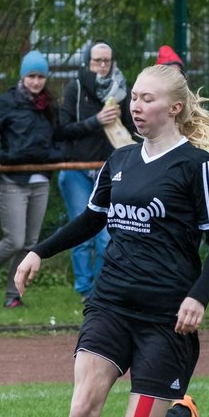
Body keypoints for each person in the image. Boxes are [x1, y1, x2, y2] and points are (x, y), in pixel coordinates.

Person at [14, 63, 209, 417]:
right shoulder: (119, 162)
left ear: (175, 108)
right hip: (110, 304)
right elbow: (91, 221)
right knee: (82, 411)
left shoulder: (199, 168)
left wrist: (198, 296)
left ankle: (184, 415)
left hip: (165, 319)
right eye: (134, 96)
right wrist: (38, 251)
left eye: (148, 99)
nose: (136, 106)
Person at [0, 49, 64, 309]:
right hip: (11, 181)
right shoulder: (6, 102)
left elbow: (57, 138)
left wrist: (51, 157)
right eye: (31, 76)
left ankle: (13, 295)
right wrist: (6, 158)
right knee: (14, 240)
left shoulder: (49, 106)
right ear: (23, 77)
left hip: (40, 181)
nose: (36, 82)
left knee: (31, 243)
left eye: (40, 77)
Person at [57, 41, 137, 299]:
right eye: (97, 61)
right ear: (87, 63)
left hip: (110, 170)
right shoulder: (75, 88)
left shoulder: (122, 91)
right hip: (77, 170)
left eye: (107, 61)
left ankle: (101, 290)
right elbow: (62, 130)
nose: (103, 66)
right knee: (82, 233)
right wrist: (95, 121)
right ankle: (83, 290)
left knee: (107, 235)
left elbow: (131, 129)